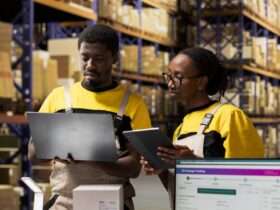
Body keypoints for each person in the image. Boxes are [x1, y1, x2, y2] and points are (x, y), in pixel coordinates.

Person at [29, 24, 151, 210]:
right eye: (85, 58)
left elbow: (134, 168)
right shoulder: (58, 97)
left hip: (112, 204)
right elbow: (33, 154)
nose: (90, 65)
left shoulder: (134, 104)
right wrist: (57, 148)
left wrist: (91, 159)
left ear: (114, 58)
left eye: (99, 59)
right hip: (64, 203)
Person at [141, 47, 264, 209]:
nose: (170, 84)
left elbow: (248, 179)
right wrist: (161, 168)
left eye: (178, 77)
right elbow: (178, 190)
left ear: (201, 82)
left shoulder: (229, 116)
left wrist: (193, 163)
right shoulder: (182, 127)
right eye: (169, 76)